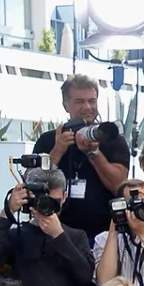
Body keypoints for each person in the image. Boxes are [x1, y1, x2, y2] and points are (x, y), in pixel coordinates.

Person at [31, 75, 131, 238]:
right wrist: (58, 150)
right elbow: (32, 183)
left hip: (103, 234)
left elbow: (119, 185)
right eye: (79, 101)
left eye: (92, 101)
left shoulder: (112, 139)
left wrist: (94, 153)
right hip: (54, 232)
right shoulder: (49, 140)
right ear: (65, 105)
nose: (87, 107)